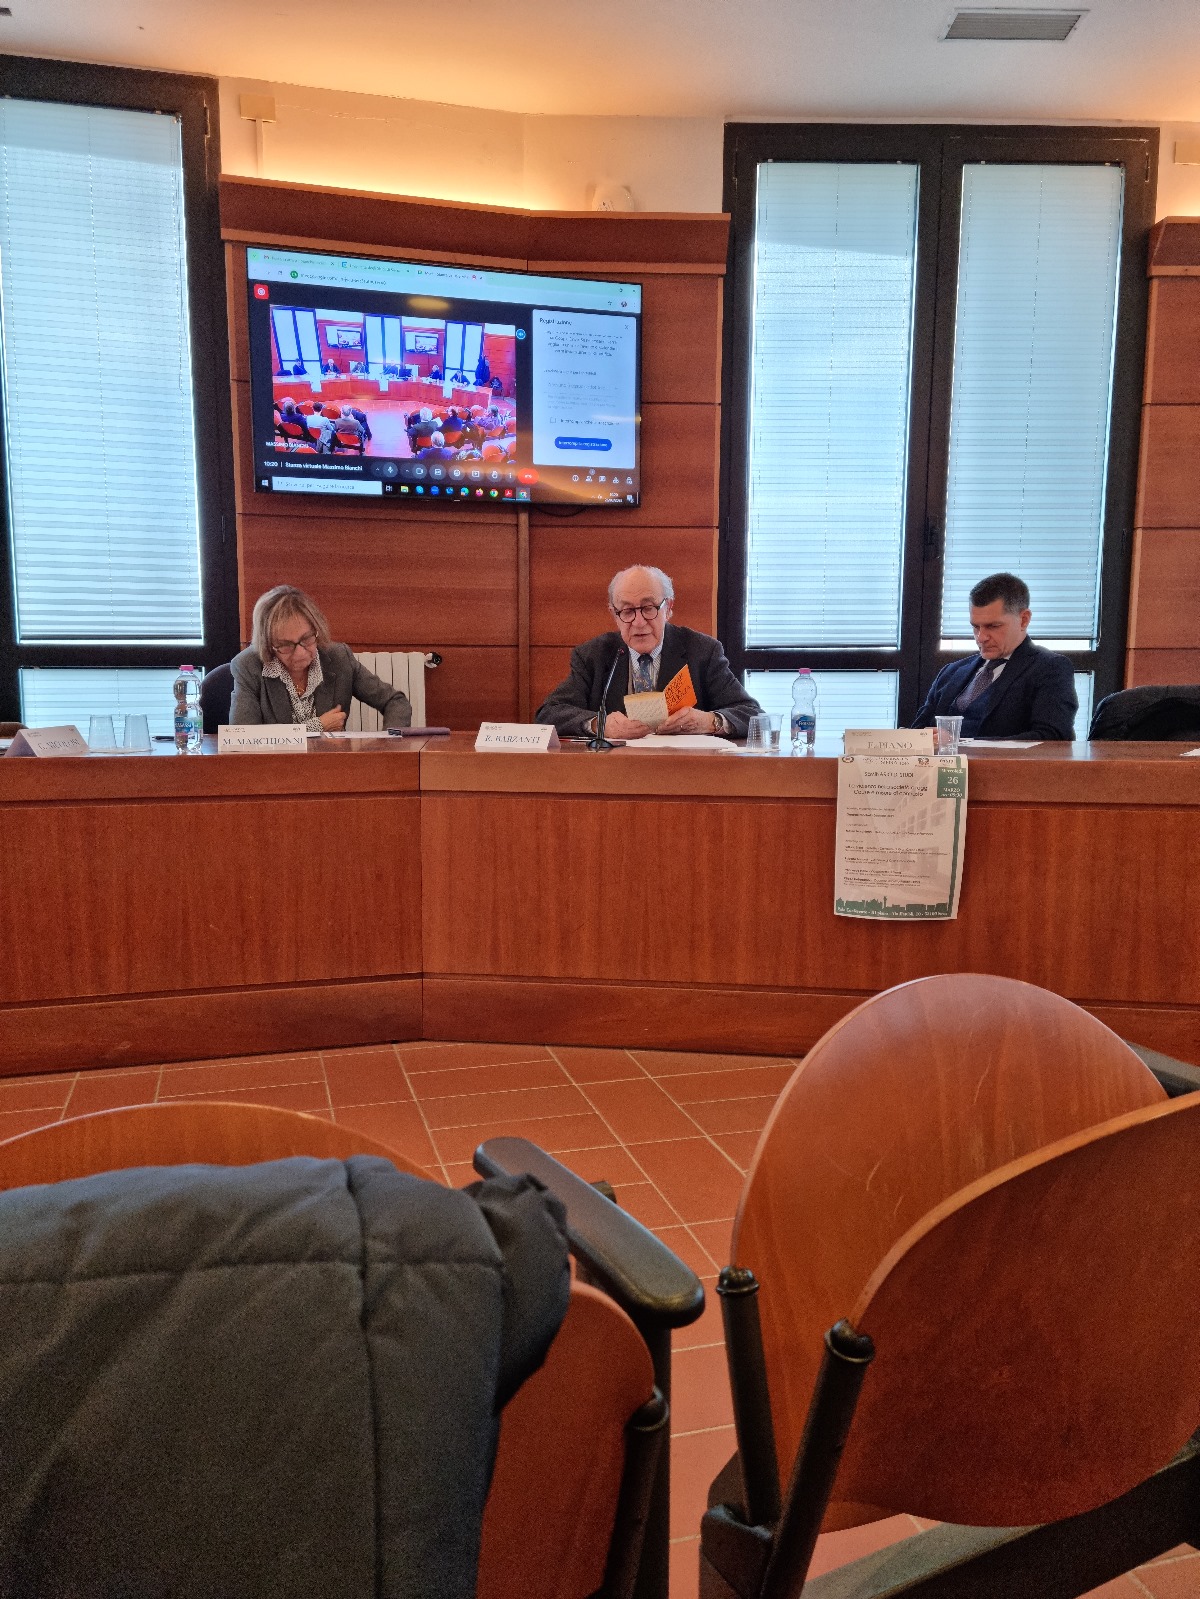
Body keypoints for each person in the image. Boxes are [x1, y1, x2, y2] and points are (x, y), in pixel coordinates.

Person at [536, 565, 762, 740]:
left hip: (684, 772)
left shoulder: (702, 651)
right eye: (627, 611)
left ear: (668, 608)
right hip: (612, 772)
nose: (639, 622)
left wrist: (710, 721)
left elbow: (753, 714)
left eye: (648, 608)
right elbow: (549, 714)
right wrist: (599, 724)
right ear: (614, 614)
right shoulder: (594, 655)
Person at [911, 572, 1077, 741]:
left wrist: (960, 743)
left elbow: (1052, 738)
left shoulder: (1050, 668)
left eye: (993, 626)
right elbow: (917, 732)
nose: (981, 637)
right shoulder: (951, 672)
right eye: (976, 627)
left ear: (1024, 620)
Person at [230, 585, 411, 732]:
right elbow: (243, 735)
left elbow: (395, 702)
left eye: (307, 639)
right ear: (268, 645)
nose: (300, 653)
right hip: (275, 765)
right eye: (286, 645)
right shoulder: (248, 665)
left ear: (317, 630)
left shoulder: (339, 658)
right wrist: (317, 726)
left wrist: (389, 747)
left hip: (330, 762)